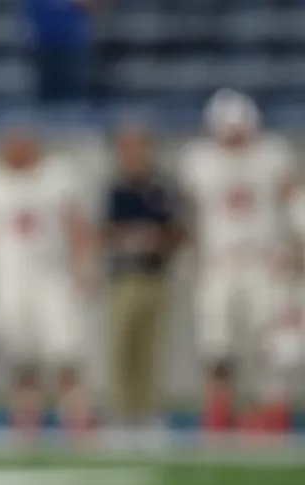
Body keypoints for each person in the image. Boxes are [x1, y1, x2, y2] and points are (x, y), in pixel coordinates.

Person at [178, 89, 305, 433]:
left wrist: (298, 250)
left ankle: (274, 410)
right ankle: (219, 410)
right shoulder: (199, 159)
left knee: (271, 342)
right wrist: (192, 257)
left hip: (263, 261)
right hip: (219, 262)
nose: (235, 136)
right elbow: (189, 214)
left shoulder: (271, 155)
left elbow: (294, 202)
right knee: (216, 343)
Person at [0, 124, 96, 433]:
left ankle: (77, 419)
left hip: (53, 280)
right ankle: (26, 423)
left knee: (66, 355)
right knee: (23, 362)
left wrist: (84, 270)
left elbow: (76, 225)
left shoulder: (57, 176)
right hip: (7, 285)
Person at [104, 122, 183, 429]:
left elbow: (177, 231)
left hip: (155, 274)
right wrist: (128, 238)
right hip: (124, 276)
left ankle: (149, 411)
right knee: (122, 347)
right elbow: (104, 232)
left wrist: (154, 239)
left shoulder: (160, 188)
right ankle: (121, 410)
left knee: (151, 348)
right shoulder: (116, 188)